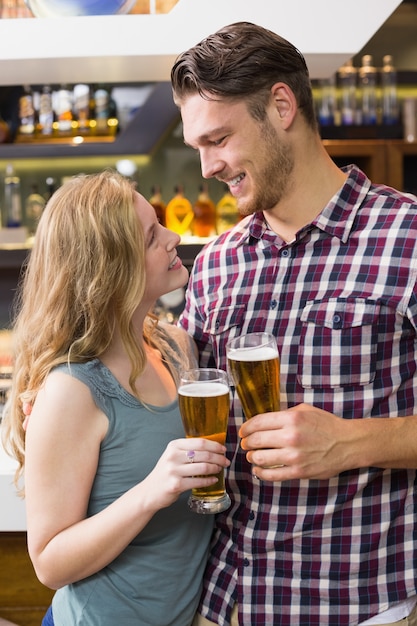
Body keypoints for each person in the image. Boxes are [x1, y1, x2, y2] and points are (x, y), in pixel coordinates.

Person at [170, 21, 417, 626]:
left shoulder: (407, 236)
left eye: (220, 138)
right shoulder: (217, 261)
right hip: (224, 604)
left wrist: (354, 442)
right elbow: (167, 393)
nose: (207, 166)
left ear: (282, 105)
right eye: (197, 146)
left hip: (359, 608)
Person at [1, 170, 230, 626]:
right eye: (151, 237)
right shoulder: (72, 389)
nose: (174, 236)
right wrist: (150, 492)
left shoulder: (175, 346)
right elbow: (49, 562)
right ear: (111, 269)